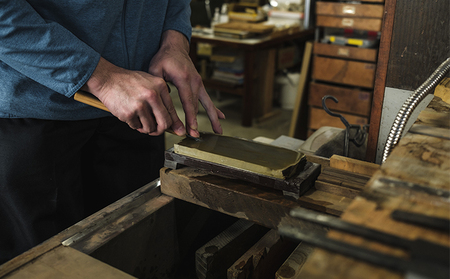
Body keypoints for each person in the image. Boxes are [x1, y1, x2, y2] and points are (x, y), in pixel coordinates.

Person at [0, 0, 225, 264]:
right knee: (48, 265)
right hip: (36, 111)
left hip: (138, 107)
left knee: (135, 252)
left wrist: (174, 41)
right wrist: (103, 77)